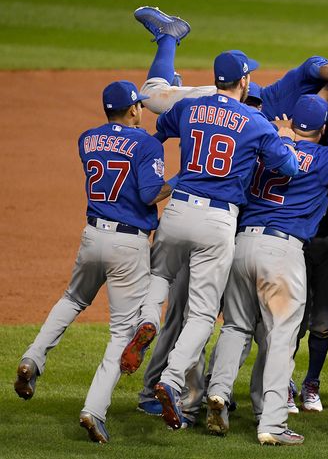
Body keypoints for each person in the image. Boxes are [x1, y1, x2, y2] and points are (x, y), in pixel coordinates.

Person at [123, 50, 299, 431]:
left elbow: (160, 132)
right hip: (218, 220)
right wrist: (282, 137)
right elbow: (288, 167)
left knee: (161, 276)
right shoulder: (255, 120)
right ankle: (170, 381)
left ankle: (148, 320)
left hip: (178, 209)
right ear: (245, 81)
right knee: (201, 313)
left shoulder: (192, 107)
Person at [14, 81, 171, 443]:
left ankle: (33, 358)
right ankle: (93, 409)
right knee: (121, 334)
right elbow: (149, 193)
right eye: (140, 107)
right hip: (128, 246)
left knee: (71, 300)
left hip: (92, 236)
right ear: (133, 109)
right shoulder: (145, 144)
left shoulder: (86, 139)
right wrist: (177, 183)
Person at [205, 94, 328, 445]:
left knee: (236, 326)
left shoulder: (263, 148)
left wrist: (280, 133)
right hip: (282, 252)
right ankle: (272, 423)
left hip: (242, 245)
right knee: (281, 336)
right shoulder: (327, 158)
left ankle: (219, 393)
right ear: (323, 127)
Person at [133, 7, 328, 120]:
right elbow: (327, 70)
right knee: (152, 97)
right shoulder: (311, 72)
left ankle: (179, 88)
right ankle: (169, 35)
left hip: (244, 118)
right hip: (233, 99)